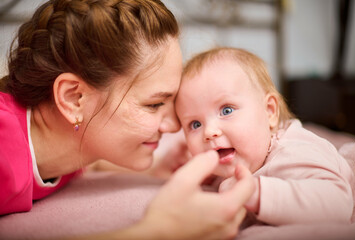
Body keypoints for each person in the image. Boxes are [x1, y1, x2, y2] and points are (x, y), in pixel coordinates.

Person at [0, 1, 255, 239]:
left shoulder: (67, 143)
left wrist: (155, 166)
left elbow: (86, 165)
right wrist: (159, 231)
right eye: (154, 104)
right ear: (74, 98)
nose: (174, 126)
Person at [175, 47, 354, 226]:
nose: (208, 132)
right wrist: (209, 177)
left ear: (269, 111)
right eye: (195, 124)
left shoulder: (292, 152)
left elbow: (339, 204)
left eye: (226, 110)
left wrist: (254, 193)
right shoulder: (243, 159)